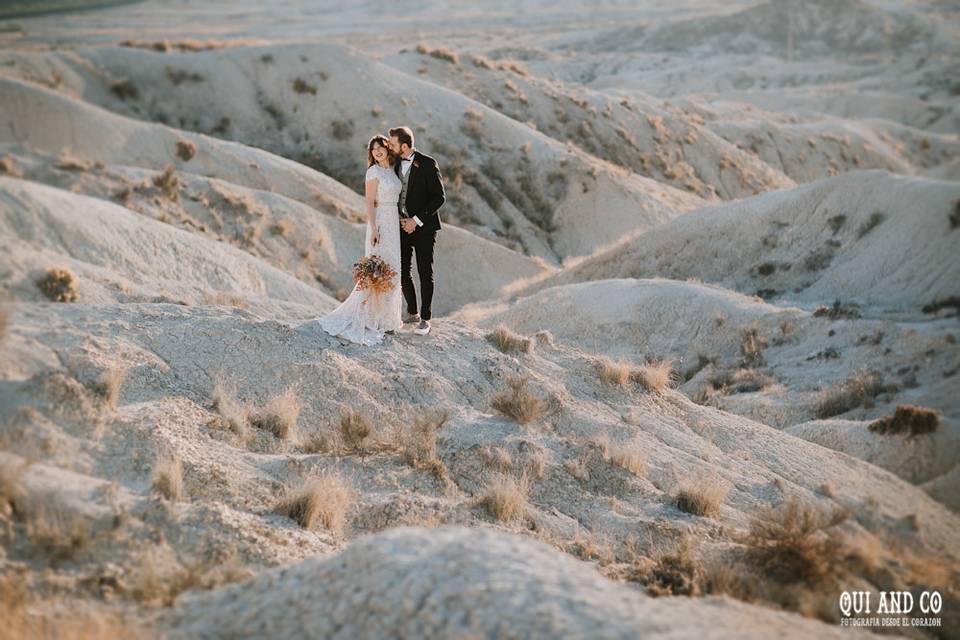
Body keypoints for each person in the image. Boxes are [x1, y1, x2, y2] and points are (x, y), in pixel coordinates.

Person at [311, 135, 402, 345]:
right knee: (377, 270)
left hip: (393, 223)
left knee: (393, 268)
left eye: (381, 147)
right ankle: (369, 318)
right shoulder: (373, 171)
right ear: (371, 154)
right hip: (379, 222)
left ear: (388, 149)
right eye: (373, 149)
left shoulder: (392, 170)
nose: (377, 151)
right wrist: (373, 229)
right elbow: (369, 202)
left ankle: (386, 320)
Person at [387, 126, 445, 336]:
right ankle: (412, 312)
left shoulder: (428, 163)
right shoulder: (393, 164)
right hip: (401, 227)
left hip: (424, 227)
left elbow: (439, 197)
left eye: (392, 144)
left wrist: (416, 220)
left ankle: (426, 318)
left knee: (424, 272)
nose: (389, 147)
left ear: (404, 145)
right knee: (402, 270)